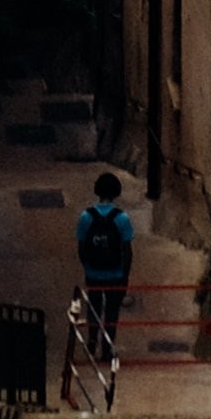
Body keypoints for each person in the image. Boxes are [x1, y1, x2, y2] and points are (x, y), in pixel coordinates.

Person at [72, 166, 137, 390]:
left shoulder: (86, 217)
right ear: (116, 192)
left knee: (94, 306)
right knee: (111, 311)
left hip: (94, 272)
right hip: (115, 273)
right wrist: (125, 274)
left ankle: (91, 340)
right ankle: (107, 347)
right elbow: (127, 250)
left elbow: (81, 247)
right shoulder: (122, 218)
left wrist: (88, 267)